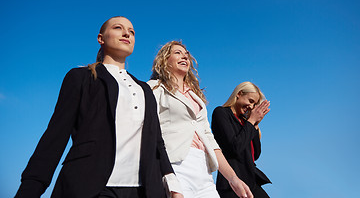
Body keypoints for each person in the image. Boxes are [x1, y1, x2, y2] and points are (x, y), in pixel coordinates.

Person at [15, 16, 183, 198]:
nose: (127, 33)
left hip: (144, 190)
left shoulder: (145, 89)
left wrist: (173, 185)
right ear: (101, 38)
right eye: (118, 28)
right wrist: (29, 189)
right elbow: (55, 137)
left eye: (132, 31)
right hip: (90, 186)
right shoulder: (81, 78)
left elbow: (158, 142)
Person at [147, 41, 253, 198]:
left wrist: (233, 178)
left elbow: (209, 139)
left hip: (203, 169)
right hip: (174, 165)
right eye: (177, 53)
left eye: (186, 54)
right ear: (164, 60)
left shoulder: (196, 98)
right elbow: (148, 130)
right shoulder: (154, 88)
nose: (184, 56)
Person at [211, 82, 271, 198]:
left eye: (254, 104)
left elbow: (255, 154)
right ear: (239, 94)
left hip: (251, 180)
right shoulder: (221, 113)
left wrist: (255, 125)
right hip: (232, 183)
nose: (251, 107)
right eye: (250, 101)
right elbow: (235, 148)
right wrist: (251, 122)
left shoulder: (245, 122)